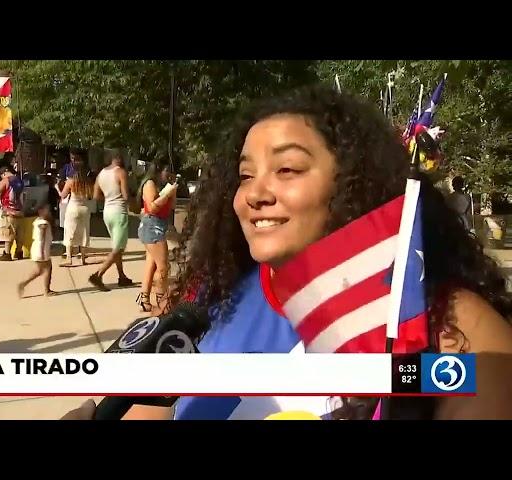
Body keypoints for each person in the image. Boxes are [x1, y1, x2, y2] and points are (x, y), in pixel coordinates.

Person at [63, 84, 512, 420]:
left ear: (355, 184)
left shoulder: (451, 325)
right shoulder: (210, 300)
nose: (256, 193)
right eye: (244, 175)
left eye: (288, 168)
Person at [136, 161, 177, 312]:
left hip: (159, 225)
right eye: (168, 171)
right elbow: (152, 207)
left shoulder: (165, 185)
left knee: (151, 265)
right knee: (163, 268)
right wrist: (166, 193)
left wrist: (172, 192)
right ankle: (162, 303)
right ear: (159, 170)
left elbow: (172, 206)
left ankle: (144, 300)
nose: (170, 175)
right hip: (152, 227)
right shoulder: (150, 184)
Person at [90, 149, 133, 291]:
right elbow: (126, 196)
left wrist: (108, 198)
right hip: (119, 212)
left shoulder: (101, 174)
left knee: (117, 246)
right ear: (119, 158)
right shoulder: (120, 172)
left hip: (107, 211)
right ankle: (98, 274)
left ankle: (122, 276)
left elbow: (96, 196)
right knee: (118, 248)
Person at [56, 159, 93, 267]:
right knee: (84, 232)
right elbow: (90, 196)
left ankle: (69, 258)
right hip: (84, 208)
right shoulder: (87, 182)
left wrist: (57, 188)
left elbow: (63, 195)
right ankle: (82, 258)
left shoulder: (71, 181)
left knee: (69, 232)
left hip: (73, 208)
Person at [18, 204, 56, 297]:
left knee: (40, 270)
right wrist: (43, 251)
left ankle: (23, 284)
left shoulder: (38, 221)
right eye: (47, 210)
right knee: (47, 269)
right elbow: (42, 238)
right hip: (41, 248)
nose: (49, 212)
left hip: (38, 248)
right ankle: (46, 290)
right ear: (41, 211)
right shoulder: (43, 223)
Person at [0, 165, 25, 261]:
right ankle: (19, 252)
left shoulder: (6, 180)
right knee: (19, 234)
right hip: (19, 210)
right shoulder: (19, 180)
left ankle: (7, 254)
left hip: (9, 211)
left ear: (3, 173)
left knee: (8, 233)